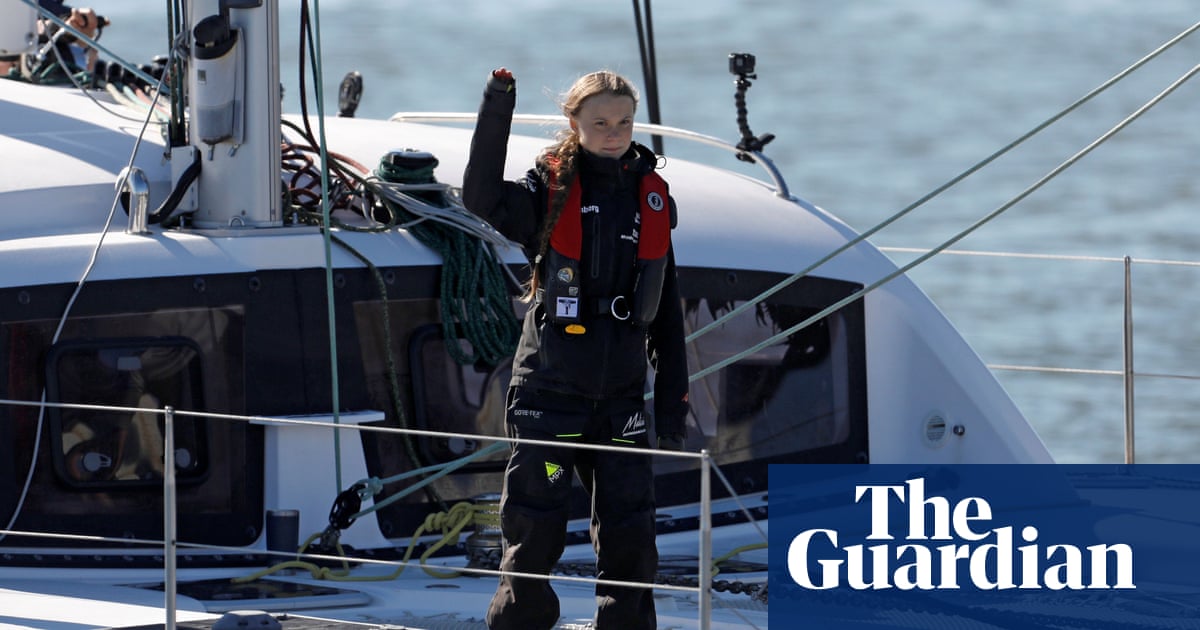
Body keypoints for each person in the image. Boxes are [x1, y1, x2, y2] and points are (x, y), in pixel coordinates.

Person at [463, 68, 690, 630]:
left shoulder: (651, 199)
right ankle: (521, 622)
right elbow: (481, 198)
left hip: (621, 400)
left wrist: (671, 404)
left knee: (631, 529)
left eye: (625, 122)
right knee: (534, 525)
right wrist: (497, 104)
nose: (615, 134)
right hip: (551, 394)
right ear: (574, 123)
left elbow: (666, 311)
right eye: (601, 122)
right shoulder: (547, 191)